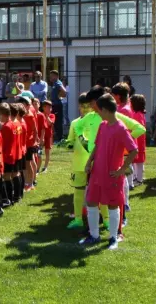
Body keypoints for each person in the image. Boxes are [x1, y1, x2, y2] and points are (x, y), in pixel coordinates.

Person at [80, 94, 138, 250]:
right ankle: (94, 236)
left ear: (105, 110)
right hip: (97, 172)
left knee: (113, 205)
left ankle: (113, 238)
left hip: (111, 174)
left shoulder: (120, 128)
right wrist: (89, 162)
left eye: (99, 110)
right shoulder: (103, 126)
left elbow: (134, 150)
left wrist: (122, 169)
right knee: (91, 201)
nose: (97, 112)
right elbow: (98, 146)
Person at [59, 93, 92, 229]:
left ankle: (102, 218)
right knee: (78, 190)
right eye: (82, 106)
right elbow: (71, 142)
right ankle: (78, 218)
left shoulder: (98, 122)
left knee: (96, 191)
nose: (84, 109)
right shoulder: (75, 123)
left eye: (87, 106)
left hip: (95, 163)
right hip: (79, 163)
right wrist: (66, 144)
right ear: (78, 107)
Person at [0, 103, 16, 207]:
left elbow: (2, 143)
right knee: (8, 178)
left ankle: (6, 198)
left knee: (6, 178)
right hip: (11, 154)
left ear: (4, 114)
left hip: (7, 155)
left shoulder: (6, 127)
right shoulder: (11, 124)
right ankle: (10, 198)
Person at [130, 94, 147, 185]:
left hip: (138, 141)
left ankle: (139, 179)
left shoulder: (137, 115)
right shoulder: (139, 114)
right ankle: (137, 177)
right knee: (137, 160)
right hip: (139, 141)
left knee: (138, 161)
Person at [49, 70, 67, 142]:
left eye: (52, 76)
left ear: (56, 76)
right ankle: (58, 138)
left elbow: (64, 92)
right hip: (54, 105)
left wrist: (60, 96)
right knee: (55, 122)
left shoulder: (57, 83)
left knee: (58, 122)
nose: (50, 77)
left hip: (57, 105)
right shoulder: (54, 83)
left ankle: (60, 139)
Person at [39, 100, 55, 172]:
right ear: (43, 108)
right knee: (39, 152)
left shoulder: (52, 115)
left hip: (48, 136)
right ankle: (38, 166)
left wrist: (46, 115)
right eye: (47, 107)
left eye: (50, 107)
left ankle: (45, 167)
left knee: (47, 152)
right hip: (41, 136)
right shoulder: (40, 115)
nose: (49, 109)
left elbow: (50, 123)